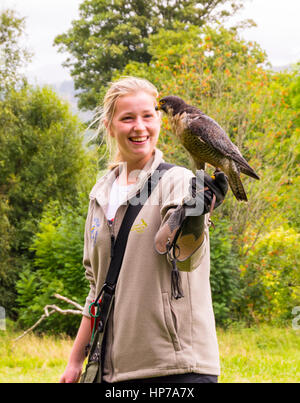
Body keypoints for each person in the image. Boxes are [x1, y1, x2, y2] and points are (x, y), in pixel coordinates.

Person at [59, 76, 228, 384]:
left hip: (177, 369)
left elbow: (186, 257)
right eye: (128, 118)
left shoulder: (177, 181)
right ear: (110, 126)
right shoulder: (100, 194)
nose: (140, 126)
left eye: (148, 115)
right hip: (115, 371)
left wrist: (192, 216)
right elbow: (96, 288)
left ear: (159, 120)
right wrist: (75, 361)